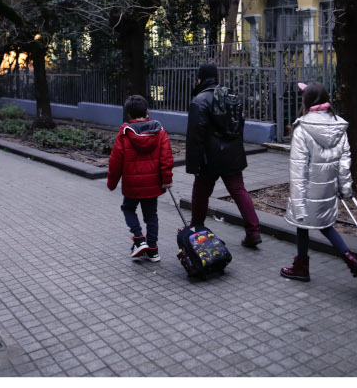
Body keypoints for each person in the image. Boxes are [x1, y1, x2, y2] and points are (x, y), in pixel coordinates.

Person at [280, 81, 357, 289]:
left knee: (302, 224)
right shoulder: (339, 125)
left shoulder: (302, 127)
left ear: (307, 101)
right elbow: (344, 161)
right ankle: (351, 261)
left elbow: (298, 169)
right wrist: (346, 188)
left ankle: (301, 266)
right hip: (327, 188)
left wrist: (298, 202)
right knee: (325, 225)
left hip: (306, 189)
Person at [186, 62, 262, 247]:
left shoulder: (199, 100)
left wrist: (194, 164)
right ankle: (253, 232)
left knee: (201, 192)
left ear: (200, 78)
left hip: (209, 158)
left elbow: (196, 135)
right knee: (238, 190)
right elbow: (239, 126)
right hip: (232, 154)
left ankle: (197, 227)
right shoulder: (231, 96)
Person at [107, 95, 174, 262]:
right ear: (147, 111)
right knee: (151, 215)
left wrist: (112, 183)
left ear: (129, 114)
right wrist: (166, 179)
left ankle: (139, 238)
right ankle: (153, 250)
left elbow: (115, 162)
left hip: (132, 184)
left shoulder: (124, 134)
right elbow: (166, 158)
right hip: (152, 184)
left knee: (128, 208)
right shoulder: (160, 132)